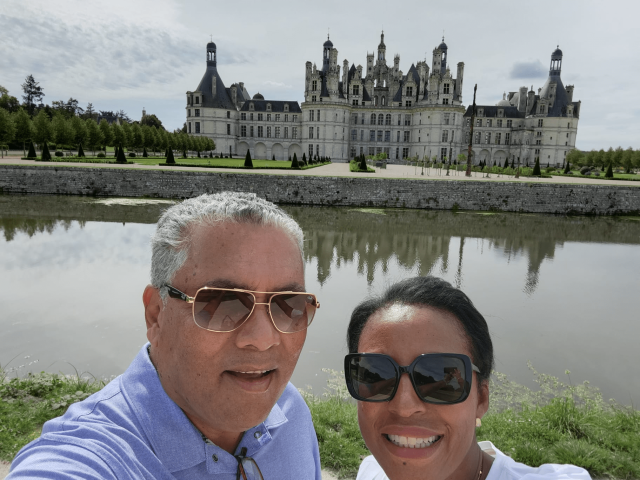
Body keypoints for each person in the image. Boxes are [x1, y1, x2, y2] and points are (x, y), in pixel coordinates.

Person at [9, 192, 322, 479]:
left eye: (288, 304)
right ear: (156, 314)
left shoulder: (289, 410)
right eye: (221, 302)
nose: (263, 338)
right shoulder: (95, 457)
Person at [344, 276, 592, 480]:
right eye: (375, 373)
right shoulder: (372, 471)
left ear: (481, 398)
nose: (405, 406)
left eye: (439, 378)